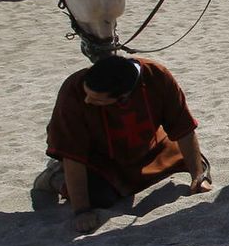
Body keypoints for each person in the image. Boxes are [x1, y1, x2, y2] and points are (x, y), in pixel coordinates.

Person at [38, 54, 212, 233]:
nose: (87, 101)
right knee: (99, 198)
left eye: (97, 100)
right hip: (101, 159)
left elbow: (183, 128)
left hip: (151, 150)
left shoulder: (157, 76)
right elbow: (73, 150)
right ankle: (55, 175)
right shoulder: (74, 90)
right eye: (87, 94)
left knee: (198, 163)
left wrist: (197, 177)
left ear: (123, 97)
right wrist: (81, 211)